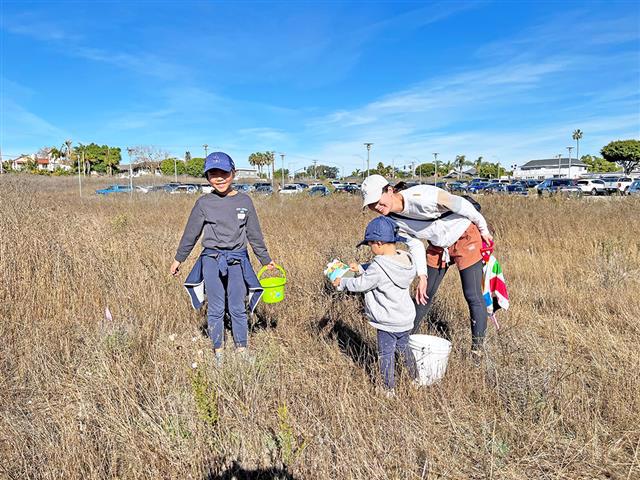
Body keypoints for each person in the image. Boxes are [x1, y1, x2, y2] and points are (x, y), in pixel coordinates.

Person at [360, 175, 494, 356]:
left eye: (378, 200)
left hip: (464, 235)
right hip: (438, 245)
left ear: (389, 191)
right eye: (371, 204)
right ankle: (404, 345)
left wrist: (483, 230)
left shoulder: (421, 197)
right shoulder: (392, 220)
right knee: (424, 294)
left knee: (472, 294)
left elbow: (462, 205)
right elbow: (414, 244)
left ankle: (477, 351)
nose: (376, 207)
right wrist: (422, 276)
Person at [170, 152, 275, 365]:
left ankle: (242, 349)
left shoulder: (245, 201)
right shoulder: (203, 203)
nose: (219, 178)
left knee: (237, 306)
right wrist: (178, 259)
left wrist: (266, 260)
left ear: (233, 173)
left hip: (238, 260)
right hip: (211, 260)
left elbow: (254, 234)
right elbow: (191, 233)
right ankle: (218, 351)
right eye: (213, 173)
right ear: (208, 176)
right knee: (216, 307)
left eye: (224, 173)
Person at [333, 216, 418, 395]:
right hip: (404, 318)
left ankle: (388, 389)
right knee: (404, 348)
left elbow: (361, 284)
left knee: (385, 354)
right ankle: (414, 378)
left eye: (370, 244)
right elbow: (380, 270)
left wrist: (343, 283)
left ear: (378, 243)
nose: (370, 248)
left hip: (387, 321)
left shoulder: (379, 267)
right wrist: (362, 268)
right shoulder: (405, 259)